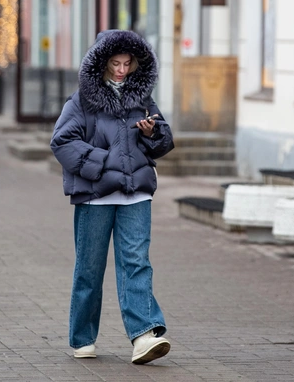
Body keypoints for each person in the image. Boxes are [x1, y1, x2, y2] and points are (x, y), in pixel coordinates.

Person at [50, 30, 175, 365]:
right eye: (115, 63)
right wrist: (104, 163)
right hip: (95, 197)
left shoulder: (143, 99)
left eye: (127, 63)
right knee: (90, 269)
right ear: (102, 63)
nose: (121, 69)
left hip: (137, 195)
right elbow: (61, 141)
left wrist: (154, 133)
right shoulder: (81, 101)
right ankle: (82, 338)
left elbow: (163, 143)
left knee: (136, 263)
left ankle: (144, 336)